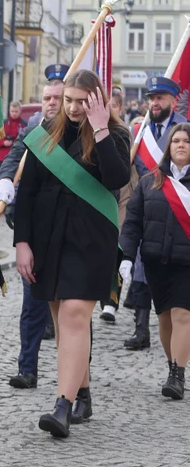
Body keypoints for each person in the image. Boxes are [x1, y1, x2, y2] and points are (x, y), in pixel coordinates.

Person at [14, 69, 131, 438]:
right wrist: (22, 243)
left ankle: (61, 406)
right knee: (63, 319)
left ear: (97, 100)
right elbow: (28, 192)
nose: (75, 107)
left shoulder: (115, 135)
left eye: (84, 101)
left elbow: (116, 179)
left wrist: (99, 130)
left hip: (91, 239)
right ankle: (82, 391)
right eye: (69, 100)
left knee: (75, 314)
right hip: (48, 238)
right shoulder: (46, 134)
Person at [0, 64, 67, 390]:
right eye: (46, 97)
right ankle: (28, 368)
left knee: (71, 308)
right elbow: (13, 159)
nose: (51, 102)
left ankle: (79, 377)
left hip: (69, 230)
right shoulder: (33, 127)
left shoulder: (78, 130)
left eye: (57, 97)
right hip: (36, 231)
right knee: (32, 304)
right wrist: (5, 182)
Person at [120, 123, 190, 399]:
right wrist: (126, 256)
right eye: (176, 141)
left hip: (187, 262)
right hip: (156, 261)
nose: (181, 145)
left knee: (182, 314)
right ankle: (172, 364)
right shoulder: (150, 182)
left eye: (186, 141)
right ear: (168, 147)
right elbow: (133, 222)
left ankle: (178, 375)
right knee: (164, 319)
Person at [125, 76, 187, 350]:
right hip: (147, 205)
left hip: (178, 211)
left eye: (160, 98)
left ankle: (177, 363)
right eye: (151, 98)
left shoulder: (182, 128)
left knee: (177, 302)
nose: (154, 103)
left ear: (173, 100)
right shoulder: (140, 129)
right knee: (141, 273)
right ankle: (141, 330)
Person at [99, 88, 140, 324]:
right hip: (102, 194)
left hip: (124, 194)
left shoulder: (127, 130)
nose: (108, 110)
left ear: (120, 108)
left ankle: (111, 302)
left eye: (112, 105)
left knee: (119, 247)